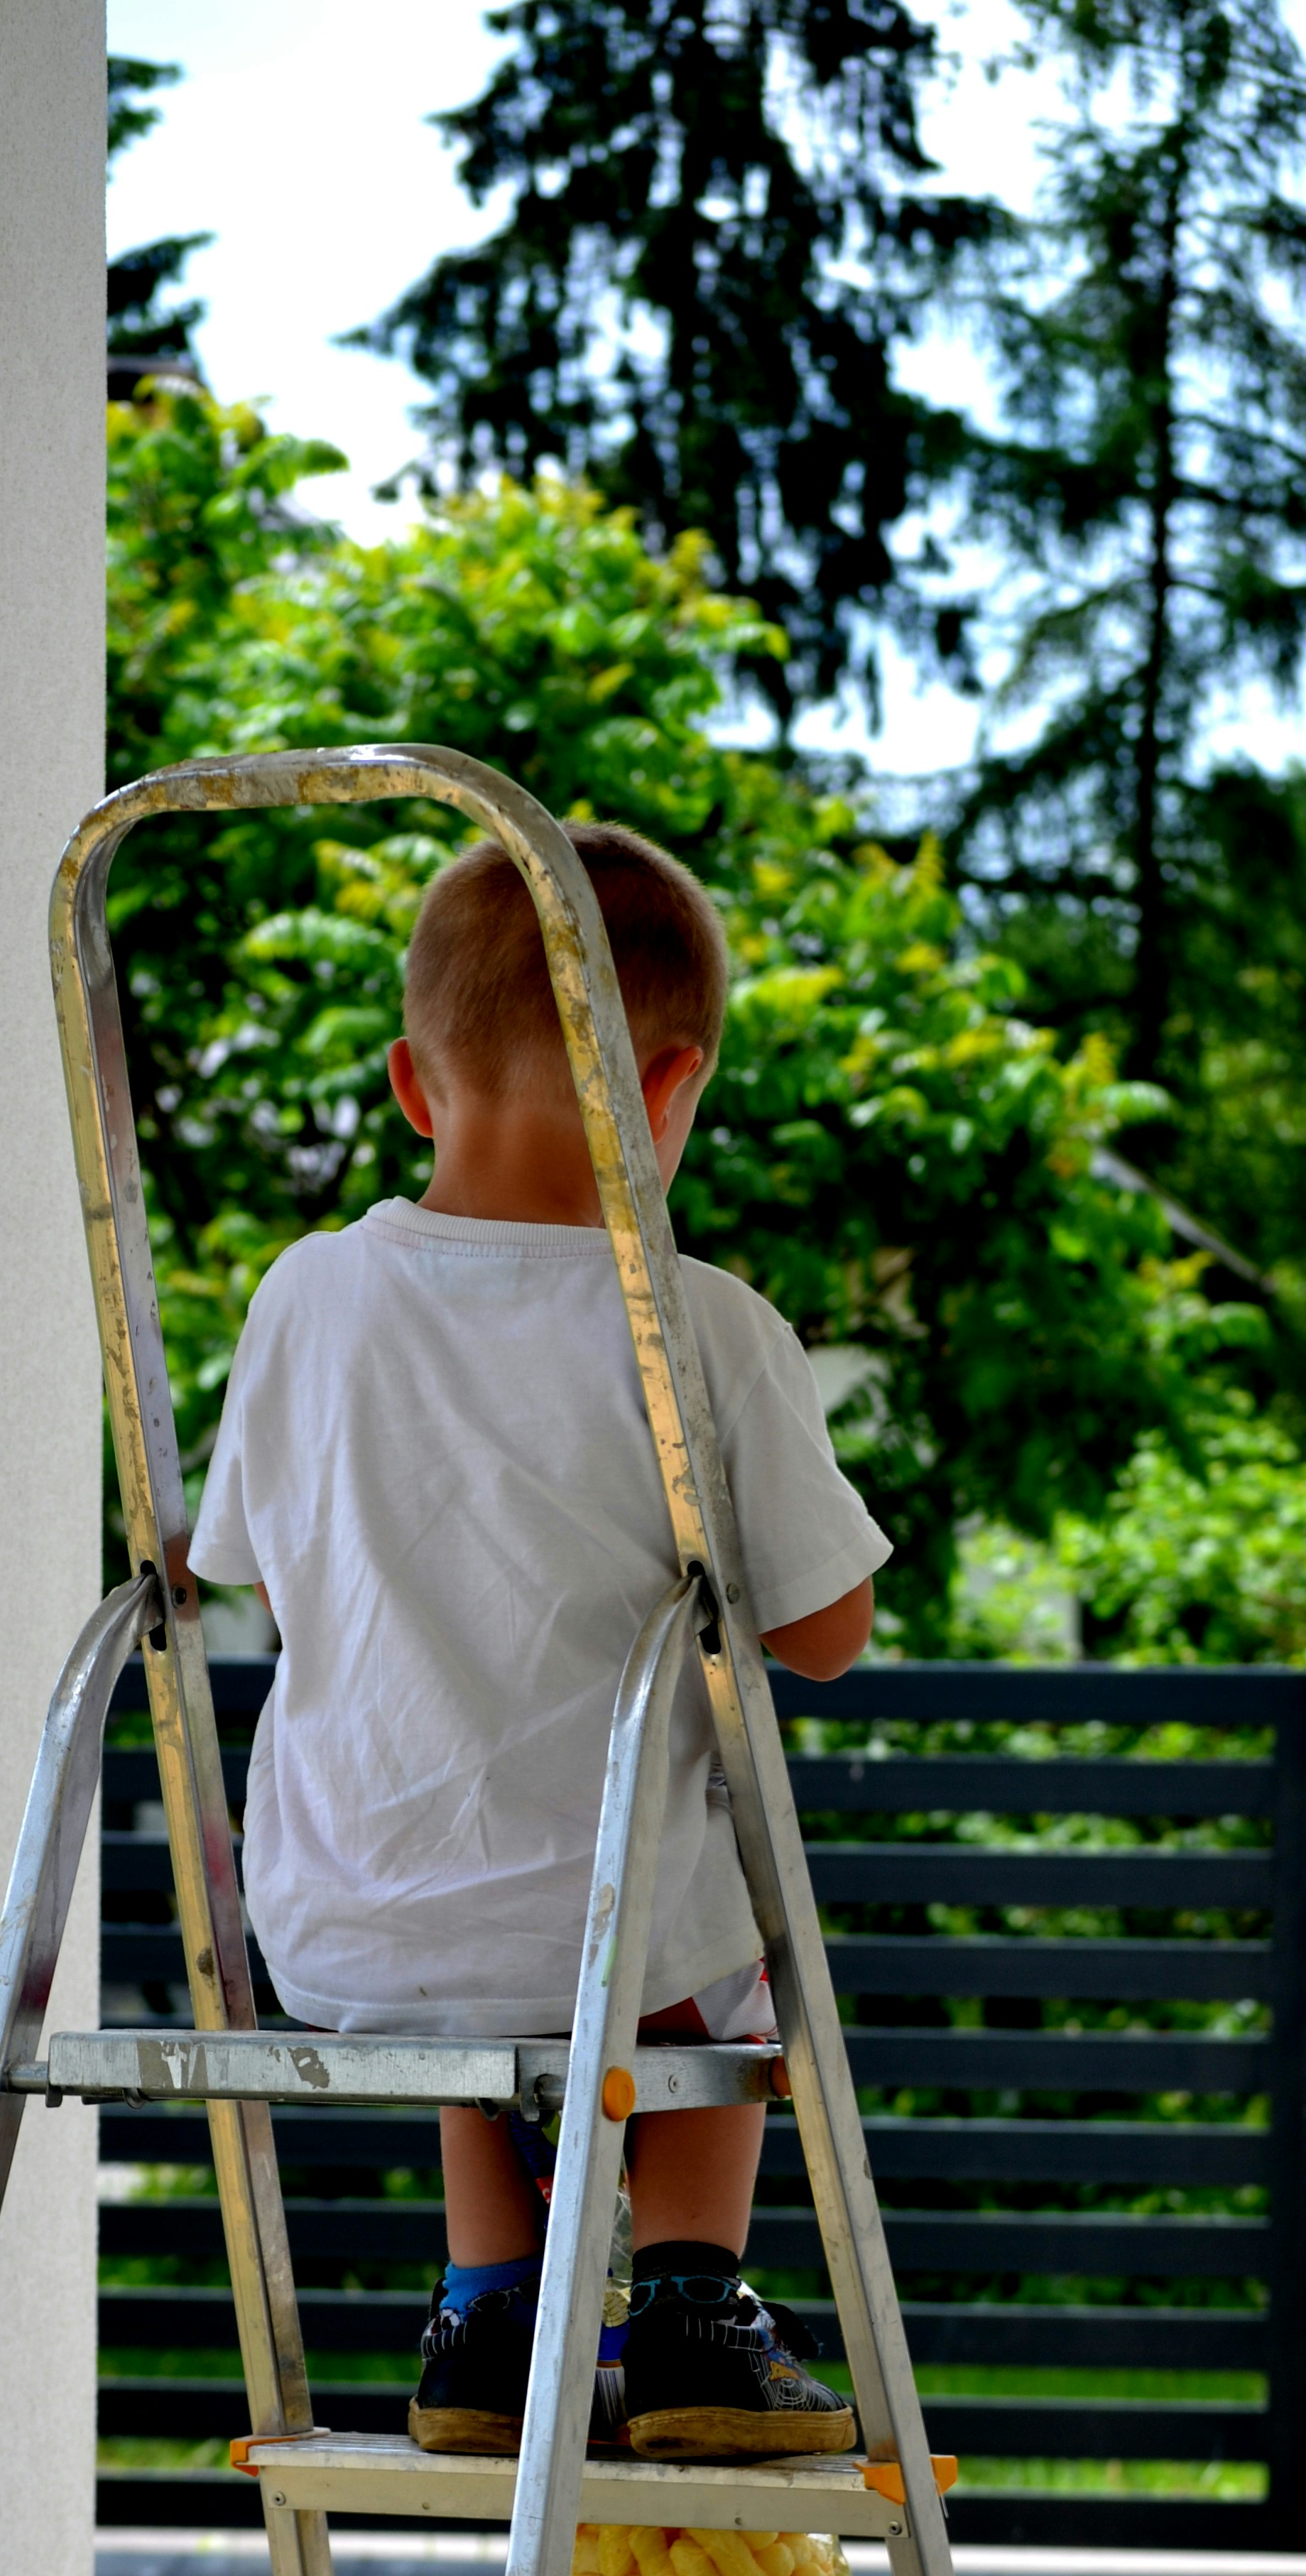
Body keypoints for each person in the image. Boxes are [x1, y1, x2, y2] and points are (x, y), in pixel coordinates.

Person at [188, 822, 890, 2465]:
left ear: (412, 1087)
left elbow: (258, 1575)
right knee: (717, 1939)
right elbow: (828, 1632)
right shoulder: (698, 1321)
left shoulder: (304, 1298)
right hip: (615, 1943)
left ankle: (488, 2313)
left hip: (344, 1925)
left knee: (468, 1868)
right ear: (670, 1087)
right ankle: (697, 2303)